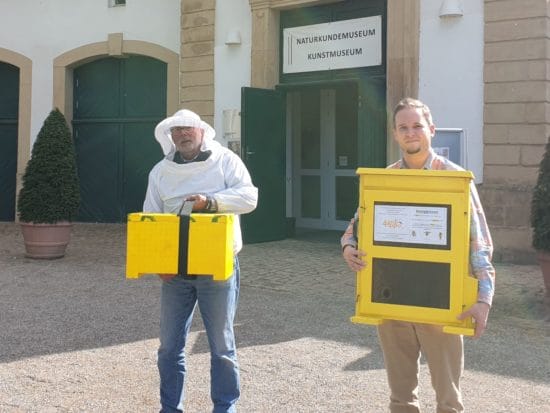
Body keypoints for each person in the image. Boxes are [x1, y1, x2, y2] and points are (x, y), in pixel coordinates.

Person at [341, 98, 496, 413]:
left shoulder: (456, 180)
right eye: (403, 128)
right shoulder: (383, 180)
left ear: (432, 130)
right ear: (395, 135)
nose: (411, 133)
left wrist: (484, 299)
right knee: (400, 399)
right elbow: (353, 230)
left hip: (442, 304)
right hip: (391, 301)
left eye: (417, 126)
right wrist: (348, 248)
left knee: (449, 400)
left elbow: (479, 243)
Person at [143, 109, 258, 413]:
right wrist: (159, 263)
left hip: (217, 268)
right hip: (175, 273)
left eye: (188, 129)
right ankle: (170, 408)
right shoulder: (160, 172)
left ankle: (225, 407)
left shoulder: (225, 161)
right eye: (176, 130)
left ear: (202, 132)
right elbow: (150, 217)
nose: (182, 134)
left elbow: (249, 197)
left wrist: (211, 202)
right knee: (169, 346)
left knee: (221, 346)